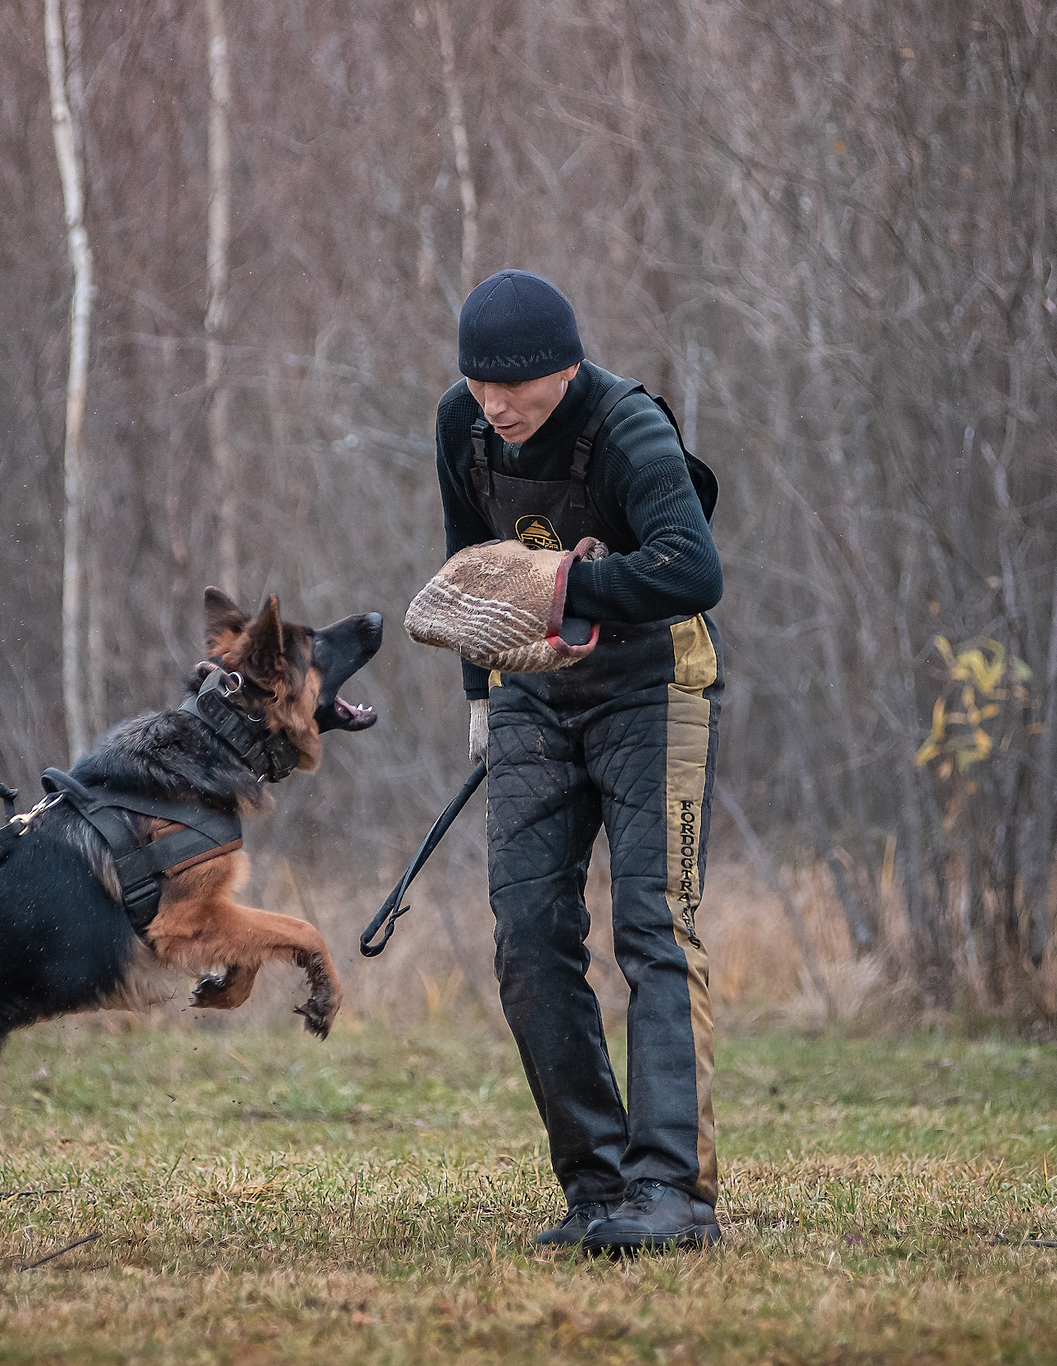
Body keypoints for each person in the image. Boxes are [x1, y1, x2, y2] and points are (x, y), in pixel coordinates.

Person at [435, 269, 725, 1253]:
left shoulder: (630, 430)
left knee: (652, 931)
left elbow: (693, 569)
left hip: (656, 690)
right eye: (477, 384)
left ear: (564, 366)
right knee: (525, 935)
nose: (493, 405)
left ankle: (672, 1191)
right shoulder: (461, 428)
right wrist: (479, 693)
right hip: (532, 695)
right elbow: (467, 557)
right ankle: (596, 1187)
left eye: (510, 386)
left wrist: (564, 583)